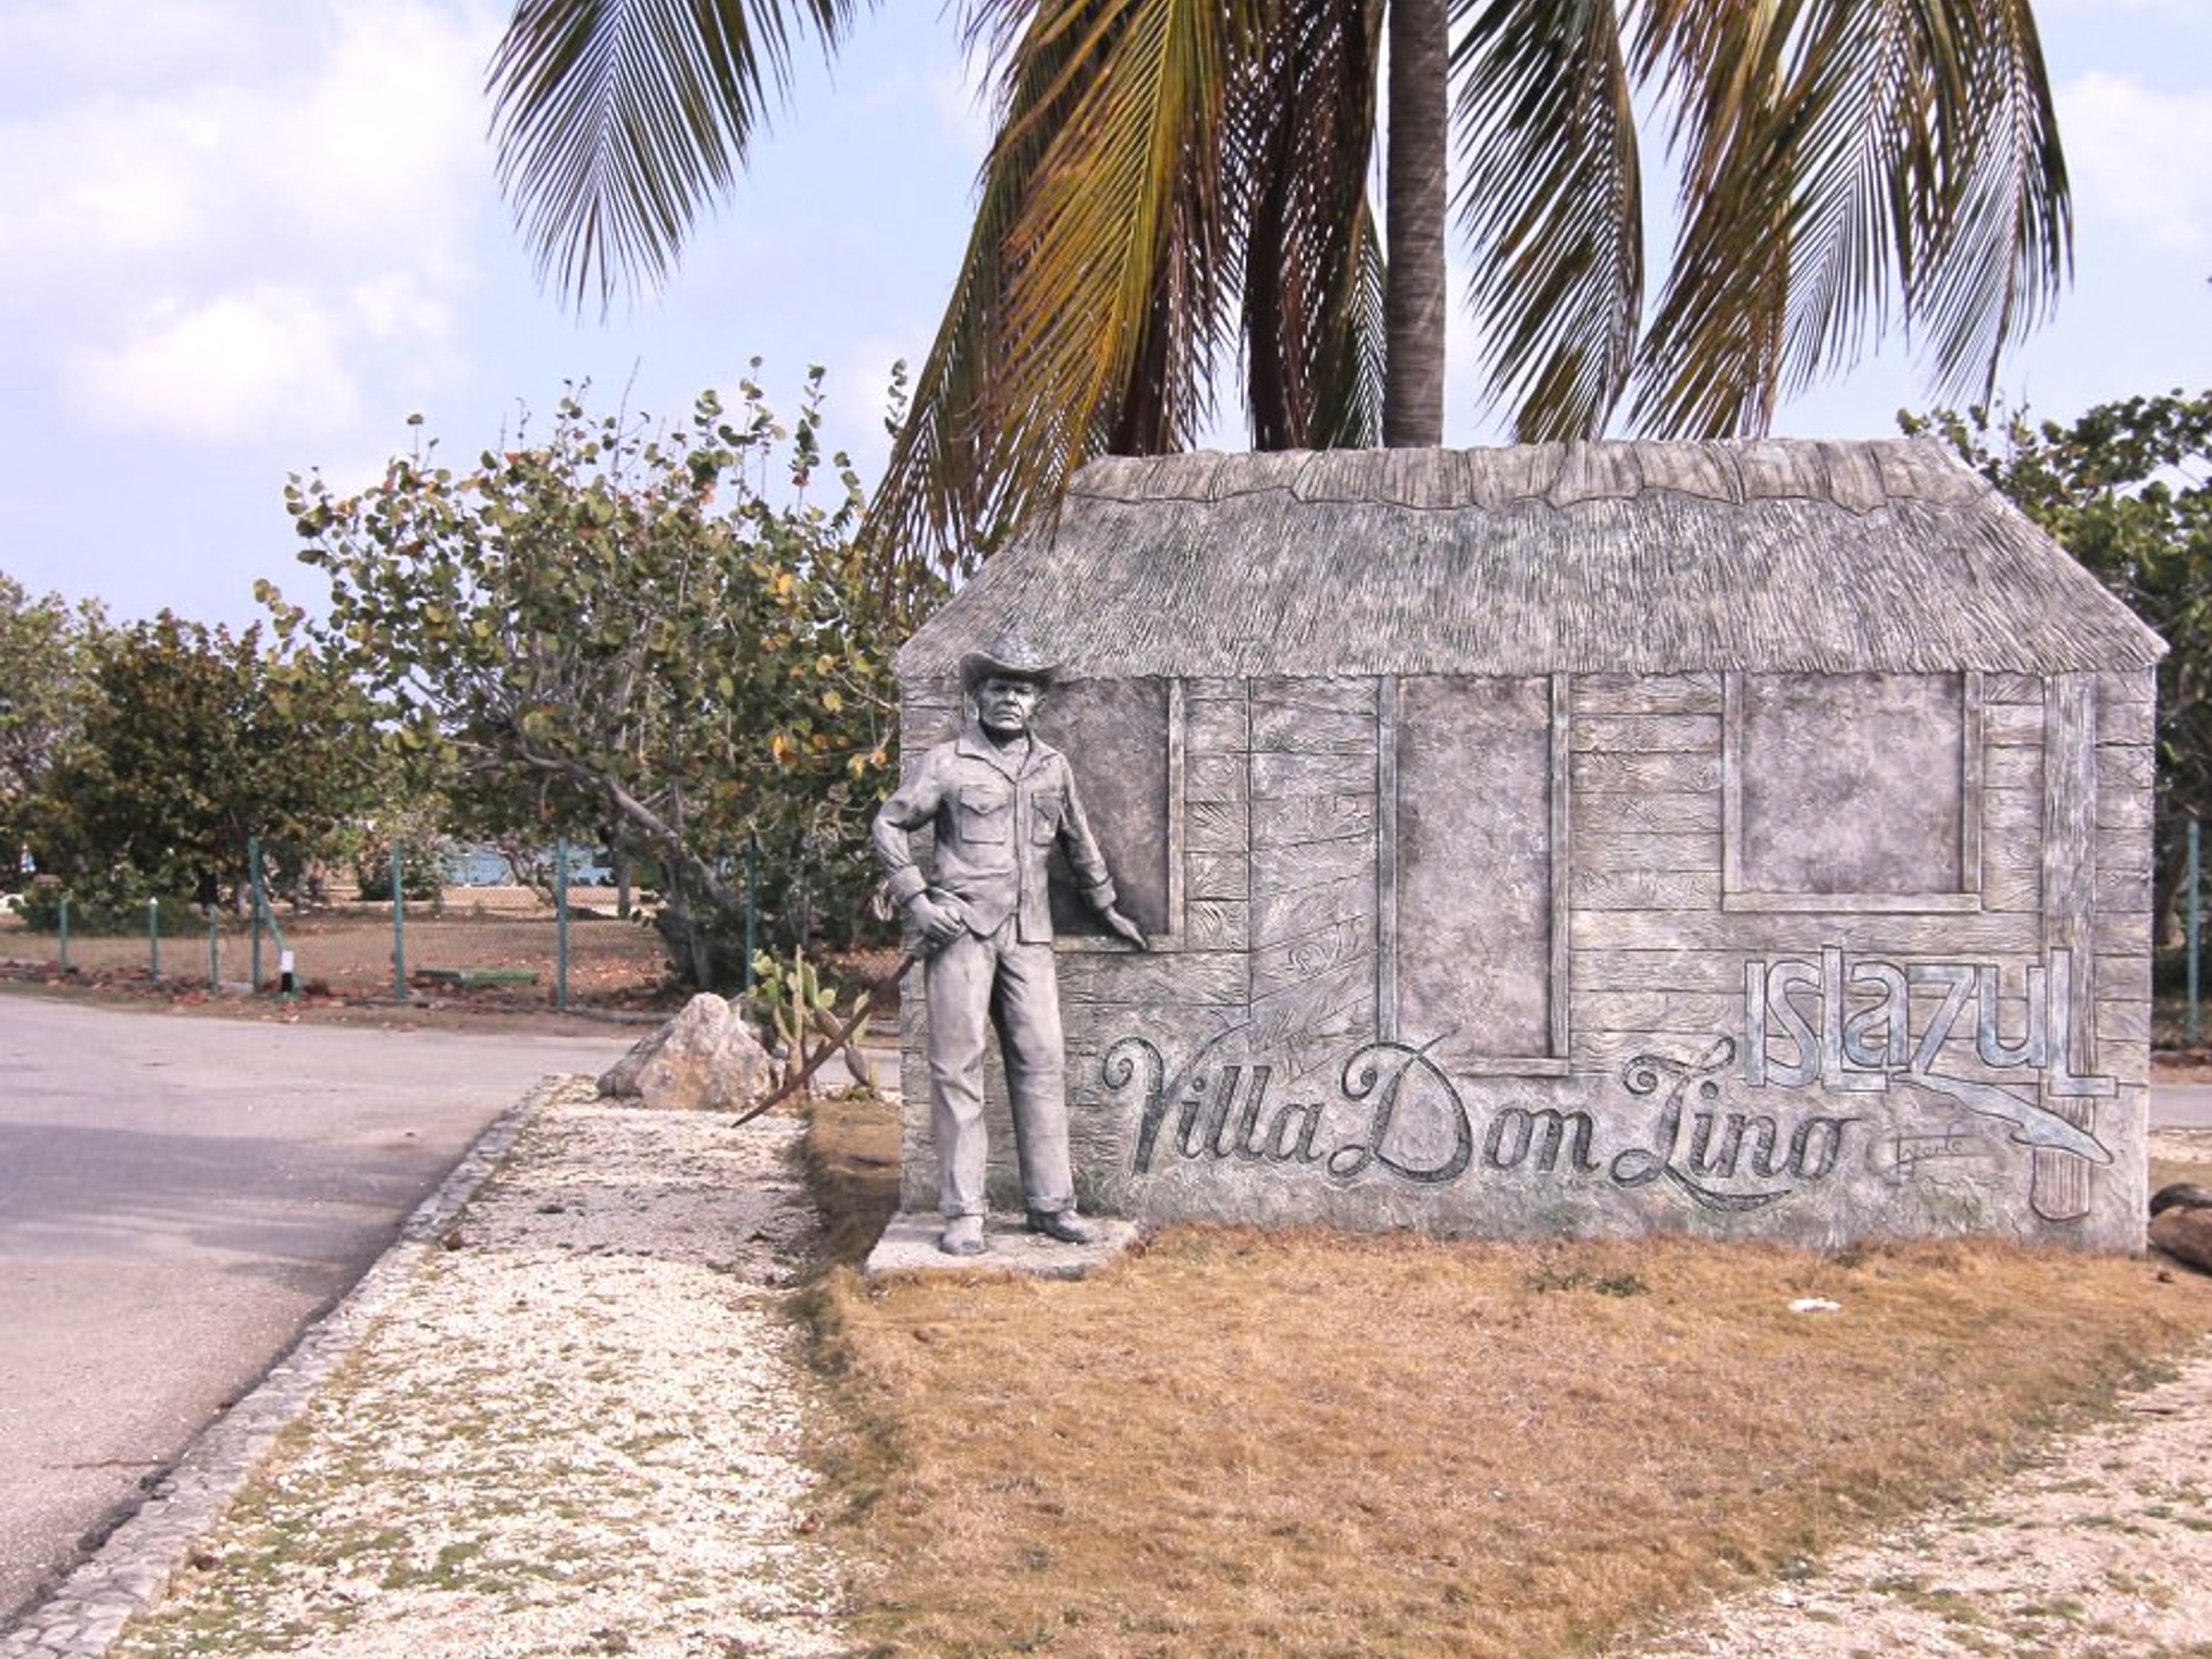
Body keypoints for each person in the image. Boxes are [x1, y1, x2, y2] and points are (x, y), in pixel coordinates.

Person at [872, 633, 1146, 1255]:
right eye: (997, 687)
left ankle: (1051, 1205)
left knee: (1042, 1062)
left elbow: (1079, 839)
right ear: (978, 695)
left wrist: (1106, 907)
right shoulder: (947, 763)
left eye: (1021, 689)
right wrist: (916, 899)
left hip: (1030, 937)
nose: (1008, 699)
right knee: (957, 1068)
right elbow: (888, 822)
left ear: (1037, 701)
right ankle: (964, 1211)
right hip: (962, 933)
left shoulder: (1053, 766)